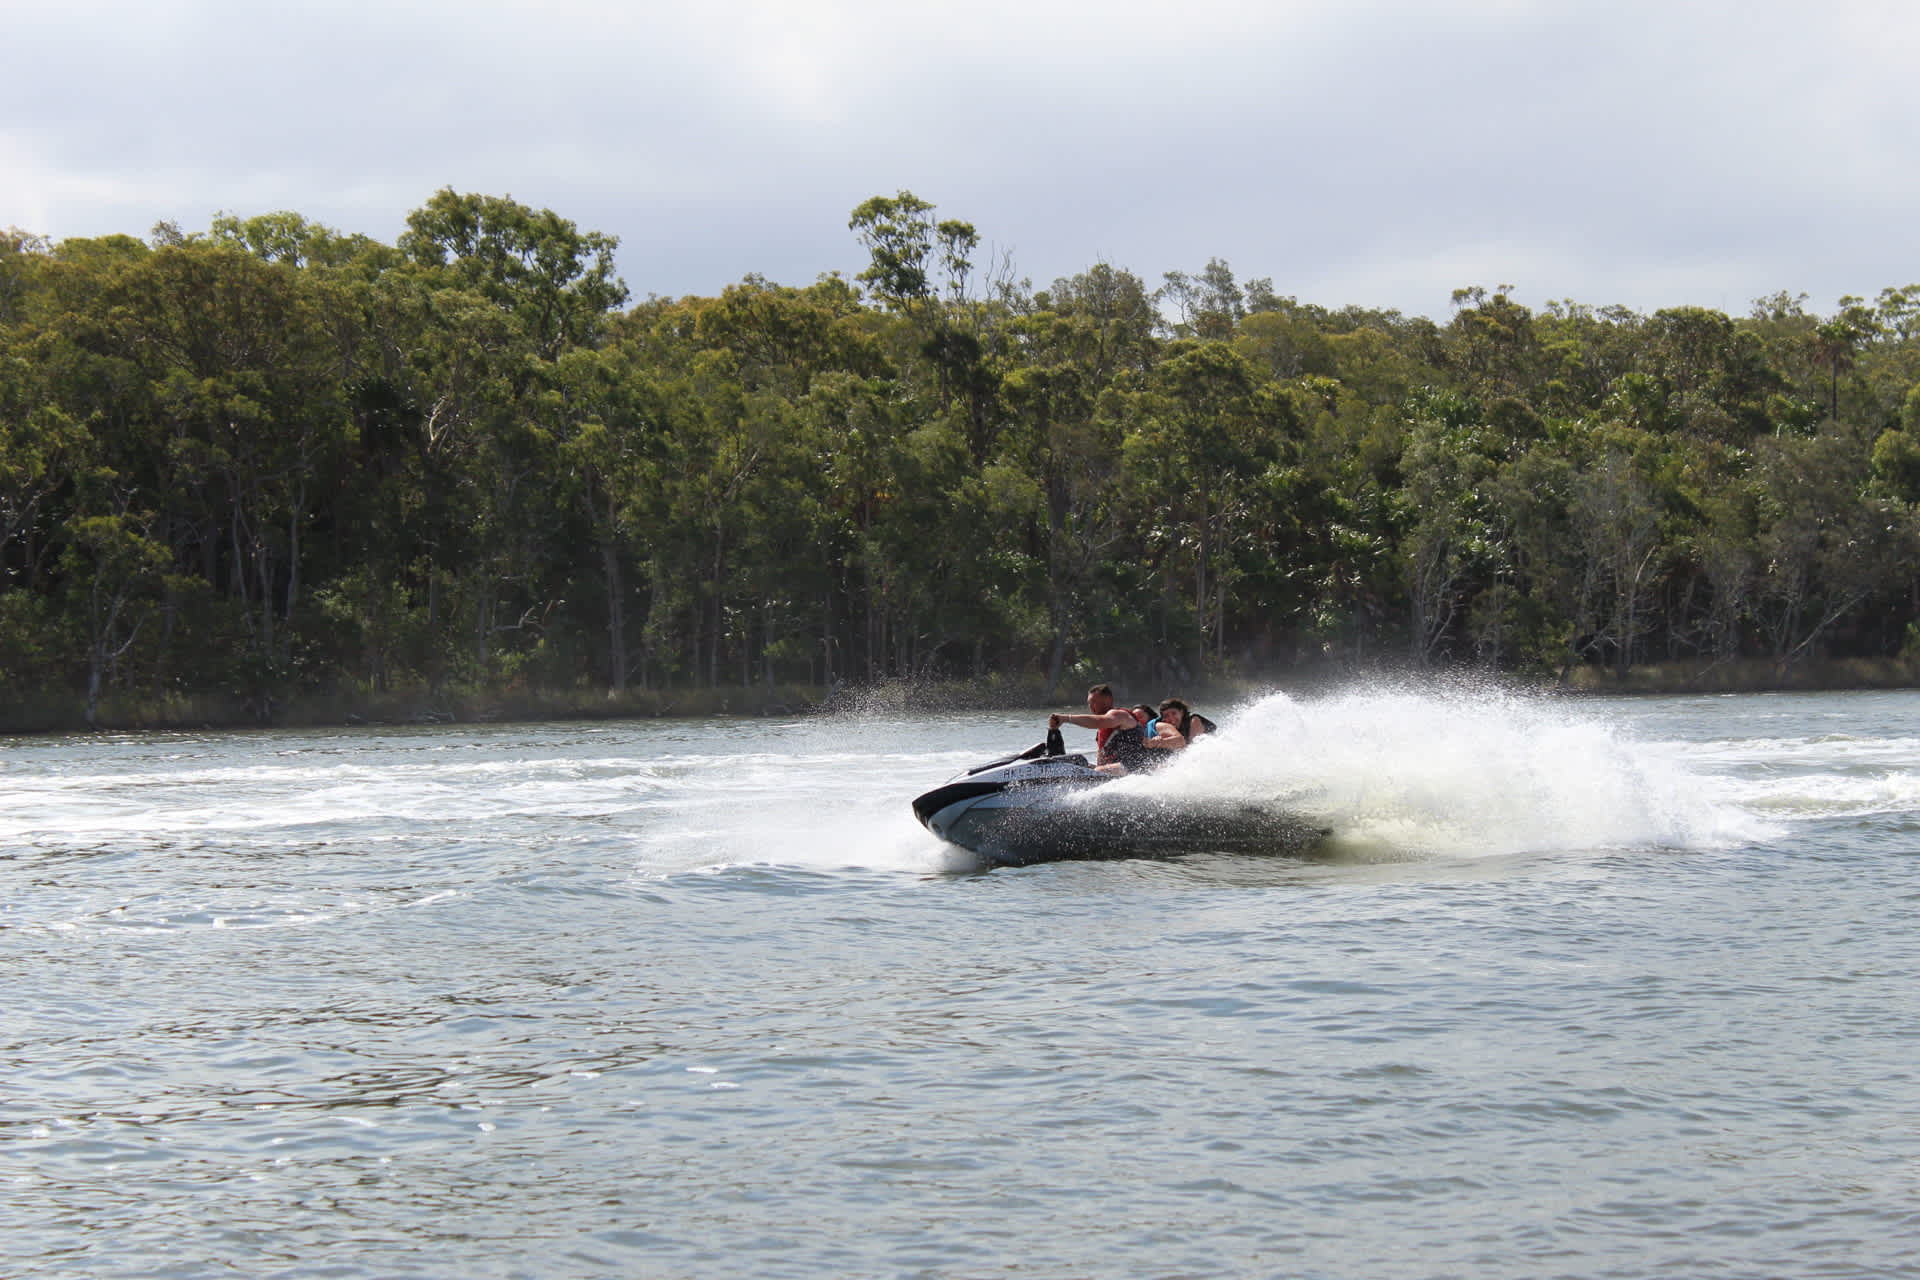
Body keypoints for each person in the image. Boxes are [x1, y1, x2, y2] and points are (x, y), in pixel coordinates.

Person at [1049, 683, 1150, 775]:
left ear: (1107, 700)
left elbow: (1098, 721)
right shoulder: (1102, 729)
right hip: (1116, 769)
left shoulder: (1119, 715)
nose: (1091, 707)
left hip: (1137, 767)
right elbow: (1101, 759)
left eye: (1094, 702)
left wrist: (1066, 718)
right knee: (1078, 765)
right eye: (1089, 703)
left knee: (1097, 771)